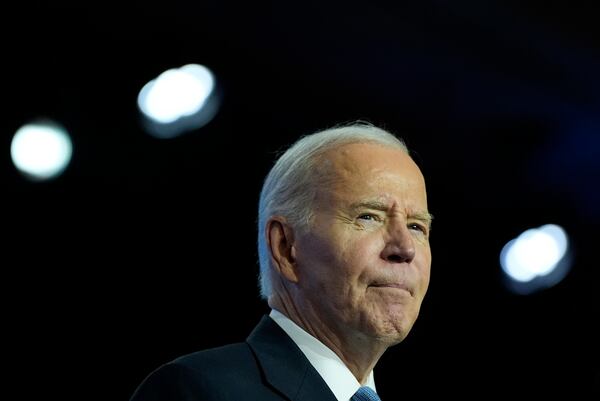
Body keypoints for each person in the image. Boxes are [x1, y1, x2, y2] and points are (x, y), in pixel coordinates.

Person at [129, 122, 433, 401]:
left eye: (417, 226)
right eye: (368, 217)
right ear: (286, 247)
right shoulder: (198, 391)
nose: (404, 248)